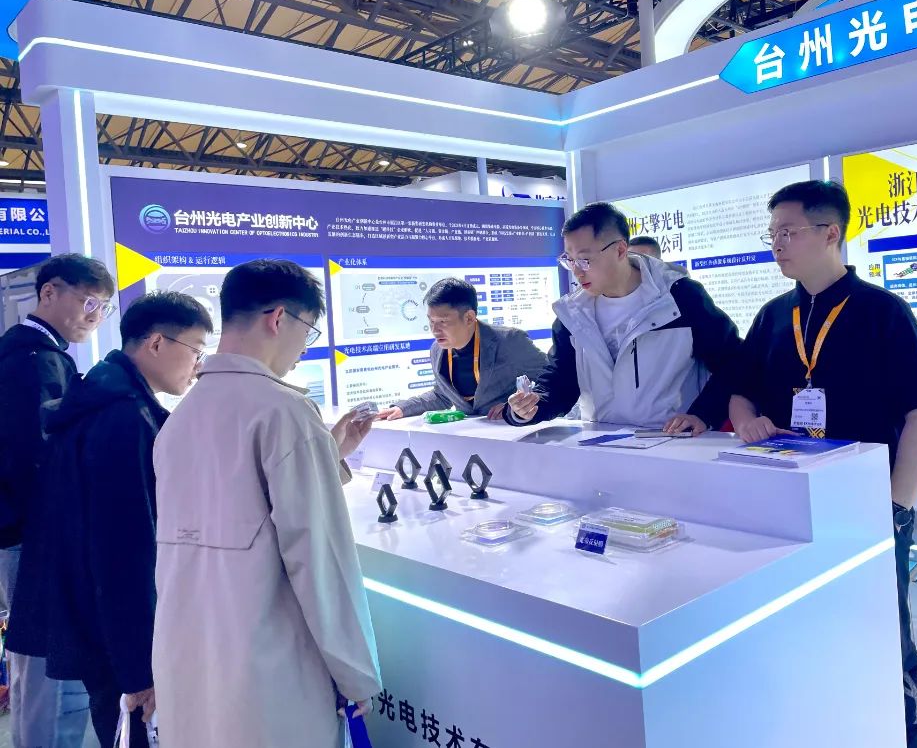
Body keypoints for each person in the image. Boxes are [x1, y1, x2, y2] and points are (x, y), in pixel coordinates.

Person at [727, 180, 917, 748]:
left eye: (788, 232)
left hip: (865, 506)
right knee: (805, 627)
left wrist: (896, 507)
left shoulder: (882, 312)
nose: (777, 244)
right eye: (772, 233)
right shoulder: (774, 315)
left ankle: (902, 732)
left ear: (831, 233)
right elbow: (741, 392)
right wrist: (746, 420)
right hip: (789, 503)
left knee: (880, 628)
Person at [152, 259, 381, 747]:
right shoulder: (284, 410)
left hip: (191, 661)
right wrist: (355, 673)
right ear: (280, 318)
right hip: (271, 673)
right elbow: (321, 561)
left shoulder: (181, 416)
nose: (303, 348)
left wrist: (328, 454)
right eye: (309, 331)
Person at [6, 292, 212, 748]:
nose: (198, 365)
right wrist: (141, 668)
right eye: (196, 350)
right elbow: (124, 553)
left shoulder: (104, 397)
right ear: (156, 343)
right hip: (116, 636)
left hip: (98, 626)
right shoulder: (123, 419)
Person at [0, 253, 115, 748]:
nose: (94, 315)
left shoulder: (31, 353)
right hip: (37, 537)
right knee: (49, 669)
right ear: (49, 292)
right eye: (88, 302)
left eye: (103, 307)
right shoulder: (33, 361)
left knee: (37, 665)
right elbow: (37, 460)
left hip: (26, 532)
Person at [505, 202, 741, 434]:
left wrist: (703, 414)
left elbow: (732, 360)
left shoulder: (678, 297)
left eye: (585, 260)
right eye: (570, 260)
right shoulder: (573, 313)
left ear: (619, 250)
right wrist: (530, 407)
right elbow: (562, 380)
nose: (577, 271)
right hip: (603, 444)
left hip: (673, 441)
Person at [377, 278, 548, 422]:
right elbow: (442, 395)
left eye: (443, 321)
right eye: (431, 321)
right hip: (468, 438)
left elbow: (552, 379)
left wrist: (516, 406)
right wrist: (403, 408)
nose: (435, 330)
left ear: (469, 318)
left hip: (515, 434)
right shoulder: (437, 350)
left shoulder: (510, 341)